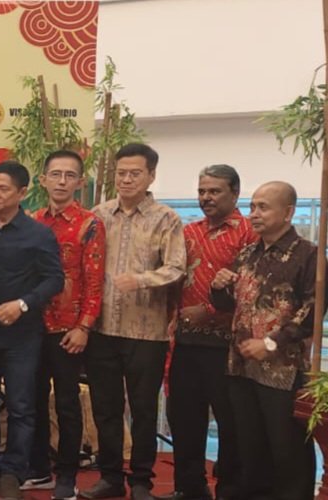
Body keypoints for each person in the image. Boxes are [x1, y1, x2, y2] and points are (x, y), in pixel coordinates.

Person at [84, 144, 184, 500]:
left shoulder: (166, 218)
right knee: (105, 408)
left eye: (135, 173)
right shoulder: (97, 215)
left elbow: (176, 268)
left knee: (143, 410)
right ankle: (110, 477)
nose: (126, 180)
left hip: (146, 332)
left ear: (151, 176)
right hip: (101, 329)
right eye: (121, 173)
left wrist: (141, 280)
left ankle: (141, 481)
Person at [0, 162, 63, 500]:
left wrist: (22, 304)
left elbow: (54, 279)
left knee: (21, 406)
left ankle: (13, 473)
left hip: (23, 336)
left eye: (3, 188)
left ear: (22, 193)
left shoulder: (38, 234)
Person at [212, 181, 317, 500]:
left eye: (263, 207)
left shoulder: (308, 255)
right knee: (250, 447)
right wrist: (218, 287)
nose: (254, 214)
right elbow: (228, 306)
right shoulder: (247, 254)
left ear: (288, 212)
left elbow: (313, 310)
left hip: (282, 370)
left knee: (287, 450)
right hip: (242, 366)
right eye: (252, 206)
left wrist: (271, 343)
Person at [166, 165, 252, 500]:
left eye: (214, 191)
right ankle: (189, 488)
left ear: (235, 193)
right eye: (202, 191)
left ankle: (229, 490)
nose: (206, 198)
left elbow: (252, 288)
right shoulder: (188, 232)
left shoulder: (249, 233)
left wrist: (211, 311)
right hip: (186, 342)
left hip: (227, 346)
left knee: (231, 423)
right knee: (184, 417)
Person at [26, 150, 105, 500]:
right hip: (31, 328)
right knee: (31, 400)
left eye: (69, 175)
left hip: (68, 330)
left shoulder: (90, 224)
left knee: (67, 404)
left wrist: (84, 327)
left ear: (80, 182)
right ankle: (39, 470)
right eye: (55, 174)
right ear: (43, 179)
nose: (61, 181)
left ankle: (67, 476)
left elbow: (94, 281)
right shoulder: (31, 221)